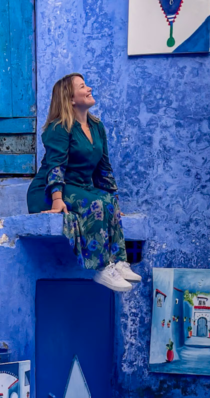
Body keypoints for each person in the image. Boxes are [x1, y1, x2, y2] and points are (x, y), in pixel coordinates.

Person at [26, 74, 141, 292]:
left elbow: (103, 168)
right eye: (82, 86)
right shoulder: (59, 128)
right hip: (49, 190)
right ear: (70, 99)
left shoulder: (97, 127)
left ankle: (118, 262)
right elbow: (55, 165)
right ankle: (102, 268)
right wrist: (57, 200)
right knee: (95, 204)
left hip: (80, 188)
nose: (89, 89)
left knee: (106, 201)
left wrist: (115, 205)